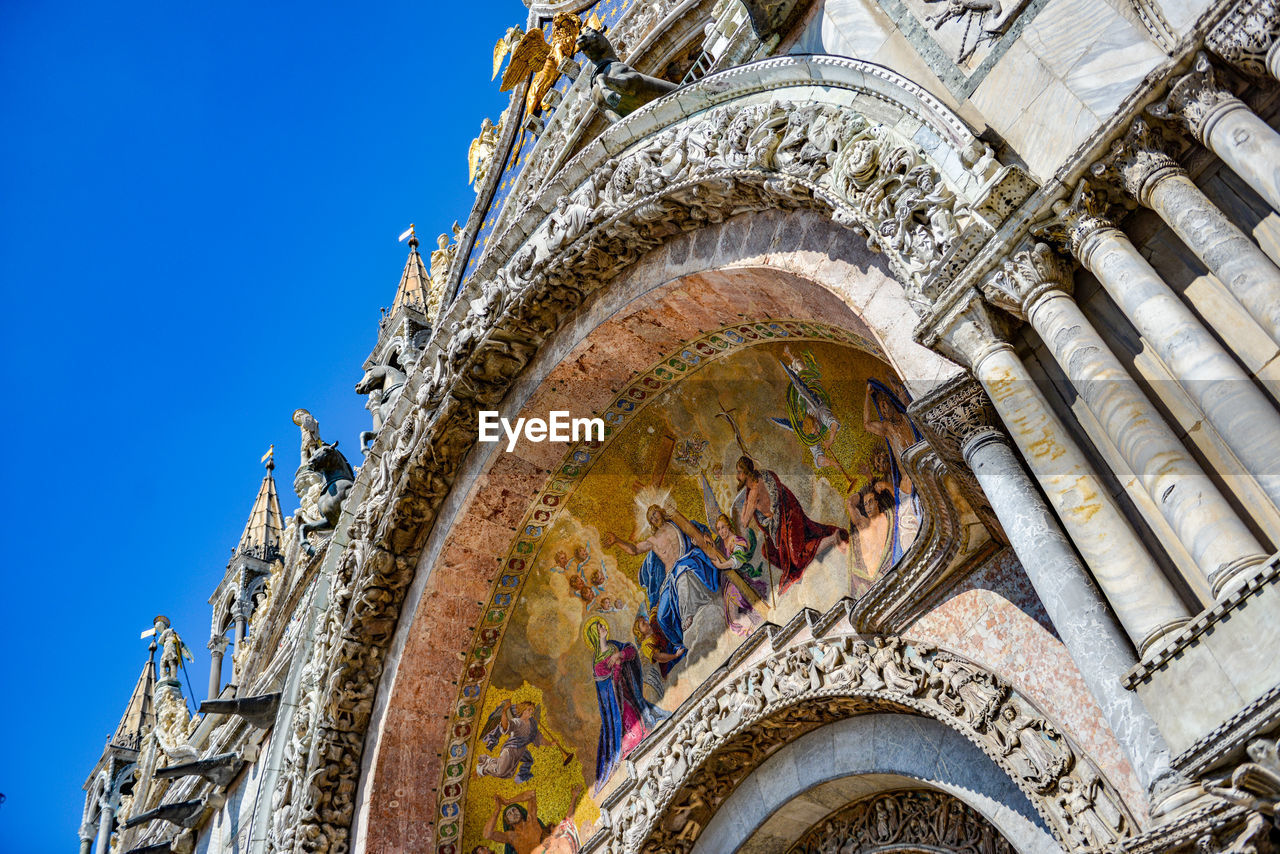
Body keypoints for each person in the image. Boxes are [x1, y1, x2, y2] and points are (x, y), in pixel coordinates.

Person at [602, 505, 724, 659]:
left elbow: (694, 530)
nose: (654, 518)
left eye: (655, 513)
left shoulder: (676, 523)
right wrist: (617, 540)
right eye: (651, 518)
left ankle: (689, 616)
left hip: (686, 562)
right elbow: (634, 550)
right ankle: (679, 645)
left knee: (683, 580)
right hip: (669, 578)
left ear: (661, 512)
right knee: (661, 616)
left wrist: (703, 536)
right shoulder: (652, 540)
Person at [734, 456, 848, 592]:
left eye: (739, 472)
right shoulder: (760, 478)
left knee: (797, 558)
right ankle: (799, 566)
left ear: (746, 473)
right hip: (780, 524)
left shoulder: (752, 493)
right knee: (768, 550)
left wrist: (745, 505)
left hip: (788, 518)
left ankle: (832, 538)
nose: (737, 476)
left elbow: (745, 522)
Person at [584, 617, 669, 789]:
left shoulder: (614, 645)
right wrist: (616, 665)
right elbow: (610, 685)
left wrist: (620, 655)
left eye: (602, 624)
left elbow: (630, 650)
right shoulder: (598, 665)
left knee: (645, 721)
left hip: (630, 692)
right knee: (637, 731)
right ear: (594, 634)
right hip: (618, 704)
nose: (603, 627)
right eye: (599, 627)